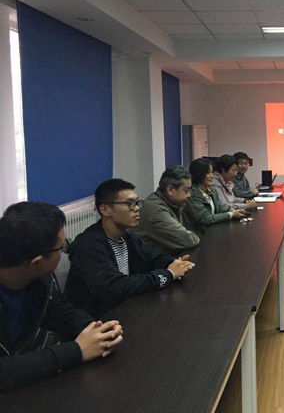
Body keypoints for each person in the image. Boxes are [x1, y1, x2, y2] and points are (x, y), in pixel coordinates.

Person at [0, 201, 123, 393]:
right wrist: (77, 350)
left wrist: (95, 330)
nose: (65, 249)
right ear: (36, 262)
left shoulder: (39, 278)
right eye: (61, 247)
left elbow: (58, 310)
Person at [65, 179, 195, 317]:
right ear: (105, 209)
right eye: (129, 203)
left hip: (127, 309)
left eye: (137, 202)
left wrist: (173, 263)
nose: (137, 208)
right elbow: (115, 287)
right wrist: (168, 274)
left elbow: (153, 257)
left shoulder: (126, 237)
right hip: (98, 320)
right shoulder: (90, 245)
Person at [132, 165, 200, 257]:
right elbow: (188, 240)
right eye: (186, 190)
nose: (189, 195)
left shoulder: (173, 203)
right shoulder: (155, 211)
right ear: (170, 190)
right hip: (149, 263)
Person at [184, 158, 248, 235]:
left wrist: (233, 210)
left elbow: (220, 207)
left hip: (213, 231)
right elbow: (206, 218)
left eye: (212, 172)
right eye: (208, 173)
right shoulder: (192, 194)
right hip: (199, 236)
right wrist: (231, 214)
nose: (211, 176)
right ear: (198, 174)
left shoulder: (211, 190)